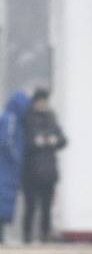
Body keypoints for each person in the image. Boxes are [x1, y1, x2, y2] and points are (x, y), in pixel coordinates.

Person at [21, 89, 66, 243]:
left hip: (49, 171)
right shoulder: (27, 118)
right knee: (31, 206)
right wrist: (39, 142)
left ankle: (44, 235)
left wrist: (53, 141)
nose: (42, 104)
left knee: (47, 207)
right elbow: (27, 142)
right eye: (40, 101)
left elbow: (63, 140)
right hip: (31, 171)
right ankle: (27, 236)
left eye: (44, 101)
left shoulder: (52, 118)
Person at [0, 92, 29, 243]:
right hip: (6, 170)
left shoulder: (13, 120)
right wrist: (18, 160)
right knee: (3, 201)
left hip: (9, 171)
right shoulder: (11, 120)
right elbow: (7, 142)